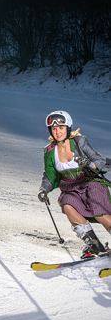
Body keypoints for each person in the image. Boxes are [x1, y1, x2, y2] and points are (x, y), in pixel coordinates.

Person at [38, 110, 111, 258]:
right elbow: (50, 176)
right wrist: (44, 189)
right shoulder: (50, 151)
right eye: (54, 129)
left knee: (98, 209)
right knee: (67, 205)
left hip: (90, 181)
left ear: (68, 128)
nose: (57, 132)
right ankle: (94, 245)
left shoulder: (79, 142)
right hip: (70, 187)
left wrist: (90, 164)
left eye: (61, 128)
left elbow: (100, 161)